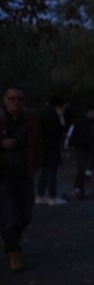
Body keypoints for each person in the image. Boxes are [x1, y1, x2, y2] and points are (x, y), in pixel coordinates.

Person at [0, 85, 44, 271]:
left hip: (25, 173)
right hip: (3, 175)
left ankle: (8, 237)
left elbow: (38, 143)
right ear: (5, 100)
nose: (16, 102)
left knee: (25, 214)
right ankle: (13, 252)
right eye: (12, 98)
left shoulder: (30, 120)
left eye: (19, 98)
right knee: (9, 214)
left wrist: (35, 164)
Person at [35, 95, 68, 206]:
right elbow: (61, 130)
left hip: (42, 146)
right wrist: (61, 117)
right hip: (52, 147)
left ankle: (40, 195)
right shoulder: (54, 115)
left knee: (44, 171)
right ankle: (52, 196)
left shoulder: (42, 112)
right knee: (51, 172)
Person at [65, 104, 94, 199]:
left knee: (83, 167)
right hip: (80, 147)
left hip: (84, 147)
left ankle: (80, 189)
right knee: (82, 167)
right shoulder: (81, 122)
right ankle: (77, 188)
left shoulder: (87, 122)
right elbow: (73, 133)